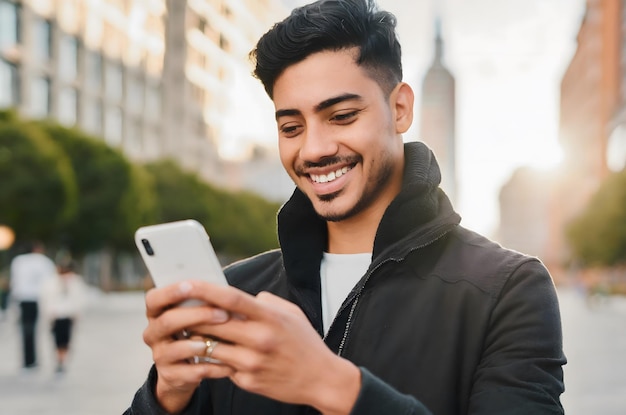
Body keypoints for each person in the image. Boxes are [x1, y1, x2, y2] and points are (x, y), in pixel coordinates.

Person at [125, 1, 566, 414]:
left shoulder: (508, 290)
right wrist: (167, 395)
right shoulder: (236, 292)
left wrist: (331, 384)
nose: (313, 150)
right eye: (292, 126)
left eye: (341, 117)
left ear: (400, 108)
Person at [9, 241, 56, 369]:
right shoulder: (44, 262)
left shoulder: (18, 261)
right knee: (32, 329)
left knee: (26, 329)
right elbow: (49, 282)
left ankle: (27, 360)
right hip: (36, 298)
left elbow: (14, 280)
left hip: (23, 297)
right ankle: (32, 359)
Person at [40, 258, 88, 373]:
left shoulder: (76, 282)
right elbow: (46, 299)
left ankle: (63, 359)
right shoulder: (51, 283)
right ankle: (59, 359)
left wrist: (77, 313)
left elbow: (80, 299)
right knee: (57, 339)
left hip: (68, 315)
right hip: (56, 315)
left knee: (66, 340)